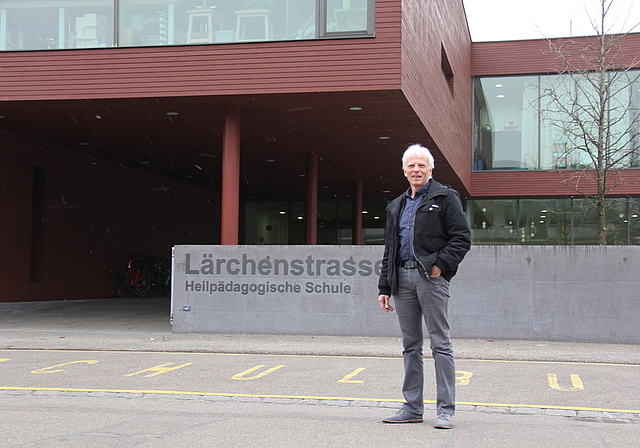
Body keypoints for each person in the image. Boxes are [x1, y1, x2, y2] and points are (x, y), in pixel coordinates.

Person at [377, 144, 471, 429]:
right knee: (411, 345)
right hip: (401, 281)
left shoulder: (445, 197)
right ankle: (412, 407)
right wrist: (384, 286)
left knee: (440, 344)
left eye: (421, 165)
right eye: (411, 166)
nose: (416, 170)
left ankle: (446, 411)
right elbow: (390, 249)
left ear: (431, 169)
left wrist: (439, 266)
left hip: (430, 278)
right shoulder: (397, 205)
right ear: (404, 170)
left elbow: (461, 238)